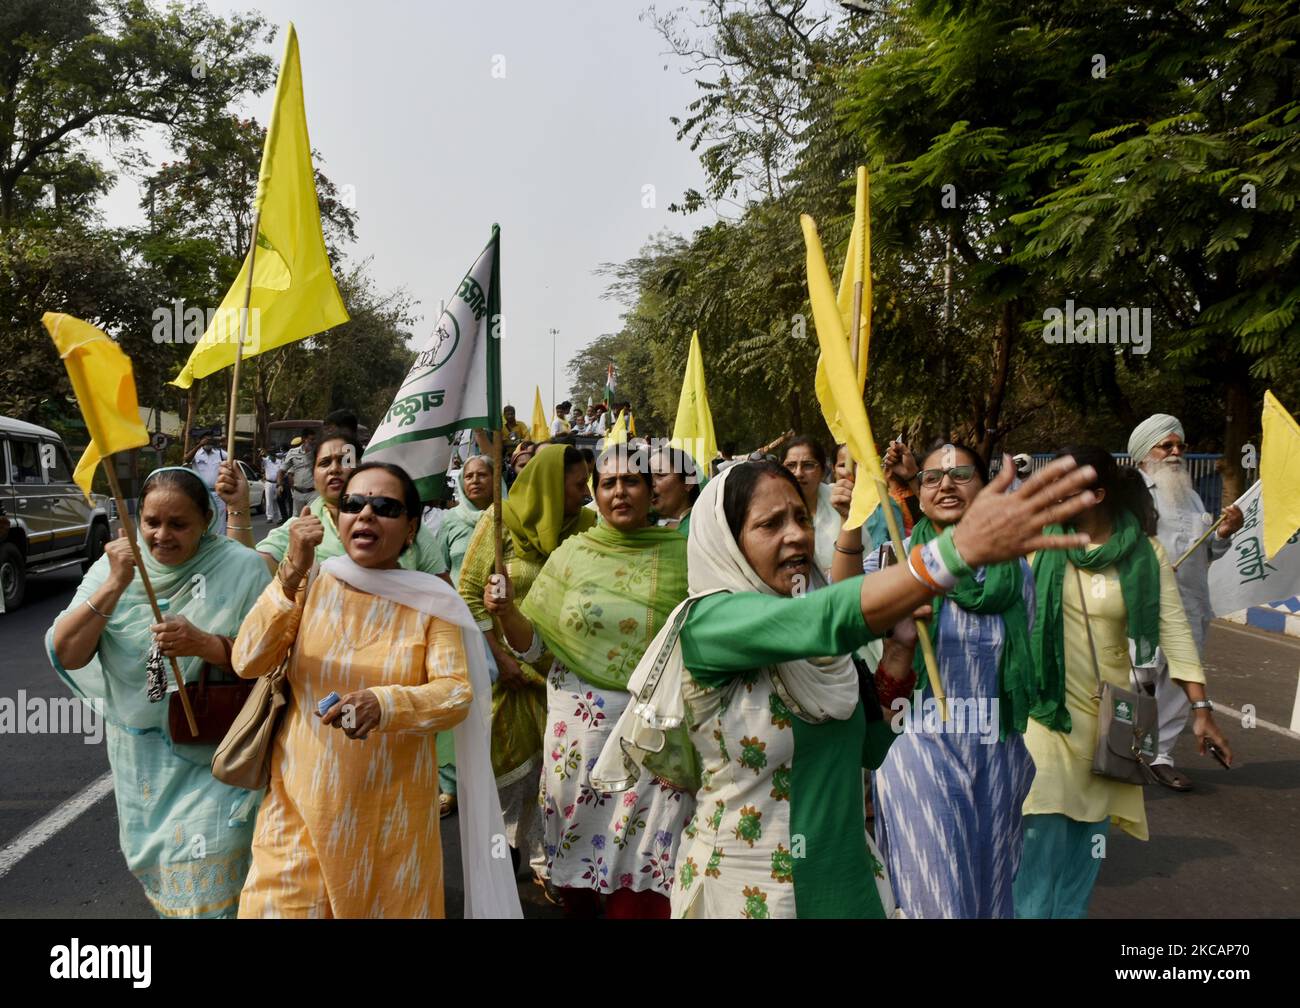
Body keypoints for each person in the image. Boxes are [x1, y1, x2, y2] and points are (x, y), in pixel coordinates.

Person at [591, 453, 1101, 918]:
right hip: (754, 894)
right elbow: (827, 618)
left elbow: (874, 748)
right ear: (726, 540)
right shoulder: (710, 622)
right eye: (770, 524)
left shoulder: (822, 639)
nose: (795, 535)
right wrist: (957, 550)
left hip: (850, 885)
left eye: (801, 518)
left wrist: (899, 654)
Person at [231, 461, 518, 918]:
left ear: (411, 528)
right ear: (339, 518)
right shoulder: (311, 584)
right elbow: (246, 660)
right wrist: (290, 573)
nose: (365, 515)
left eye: (384, 507)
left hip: (388, 823)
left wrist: (384, 703)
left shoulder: (431, 602)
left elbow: (455, 693)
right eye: (353, 504)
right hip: (297, 809)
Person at [1014, 446, 1235, 919]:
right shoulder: (1039, 545)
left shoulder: (1144, 554)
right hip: (1045, 710)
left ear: (1096, 495)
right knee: (1041, 832)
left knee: (1085, 843)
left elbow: (1174, 631)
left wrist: (1201, 711)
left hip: (1112, 722)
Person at [47, 467, 270, 917]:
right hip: (142, 761)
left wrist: (204, 645)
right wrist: (114, 585)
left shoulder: (242, 567)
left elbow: (274, 659)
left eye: (178, 524)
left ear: (207, 520)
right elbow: (68, 653)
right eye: (152, 522)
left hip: (219, 754)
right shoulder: (112, 570)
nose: (162, 535)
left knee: (217, 864)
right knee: (167, 869)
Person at [486, 444, 691, 918]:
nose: (619, 491)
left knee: (644, 865)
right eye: (607, 483)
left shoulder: (685, 554)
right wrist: (507, 611)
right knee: (579, 864)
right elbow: (536, 647)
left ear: (652, 491)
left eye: (631, 481)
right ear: (595, 494)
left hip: (653, 737)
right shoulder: (571, 556)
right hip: (578, 742)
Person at [840, 443, 1038, 919]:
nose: (946, 485)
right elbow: (843, 598)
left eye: (961, 475)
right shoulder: (899, 559)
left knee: (989, 890)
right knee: (936, 892)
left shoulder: (1015, 571)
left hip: (995, 748)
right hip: (918, 746)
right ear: (919, 493)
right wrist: (851, 523)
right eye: (932, 478)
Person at [458, 444, 596, 881]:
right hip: (509, 680)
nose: (586, 494)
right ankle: (498, 864)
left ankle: (544, 862)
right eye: (578, 485)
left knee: (553, 776)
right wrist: (501, 657)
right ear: (552, 487)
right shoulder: (498, 523)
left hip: (562, 676)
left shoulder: (588, 528)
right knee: (506, 773)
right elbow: (467, 594)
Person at [1129, 415, 1243, 791]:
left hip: (1191, 605)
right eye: (1167, 446)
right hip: (1143, 607)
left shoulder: (1191, 495)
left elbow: (1208, 549)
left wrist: (1224, 532)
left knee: (1179, 687)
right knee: (1135, 682)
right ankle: (1120, 752)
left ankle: (1160, 757)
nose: (1176, 453)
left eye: (1180, 446)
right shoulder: (1132, 495)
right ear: (1146, 454)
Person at [228, 428, 443, 577]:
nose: (335, 469)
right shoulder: (299, 531)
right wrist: (238, 508)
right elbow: (247, 570)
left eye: (345, 460)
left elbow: (442, 599)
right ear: (313, 473)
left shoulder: (403, 526)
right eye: (324, 463)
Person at [430, 454, 505, 817]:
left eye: (483, 474)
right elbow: (437, 572)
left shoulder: (511, 518)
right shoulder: (449, 523)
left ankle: (495, 777)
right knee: (459, 702)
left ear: (496, 479)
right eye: (469, 475)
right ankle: (449, 784)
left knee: (500, 705)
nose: (475, 480)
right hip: (461, 626)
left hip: (504, 625)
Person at [781, 435, 840, 581]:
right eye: (791, 466)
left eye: (808, 465)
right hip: (793, 596)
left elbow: (860, 561)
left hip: (838, 596)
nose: (798, 473)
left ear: (822, 472)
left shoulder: (840, 503)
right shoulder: (768, 510)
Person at [651, 445, 700, 534]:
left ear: (689, 482)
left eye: (660, 475)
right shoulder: (642, 524)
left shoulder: (700, 530)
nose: (651, 484)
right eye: (648, 477)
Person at [186, 435, 228, 527]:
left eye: (209, 441)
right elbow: (186, 459)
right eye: (205, 441)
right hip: (202, 492)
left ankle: (220, 538)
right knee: (203, 516)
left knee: (220, 519)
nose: (207, 443)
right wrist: (199, 445)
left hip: (218, 492)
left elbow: (232, 458)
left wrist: (225, 445)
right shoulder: (196, 454)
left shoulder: (219, 453)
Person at [282, 432, 318, 514]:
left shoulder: (316, 452)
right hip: (297, 492)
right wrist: (292, 489)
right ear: (304, 440)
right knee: (296, 517)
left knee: (313, 515)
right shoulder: (292, 455)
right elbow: (288, 474)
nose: (313, 442)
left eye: (314, 440)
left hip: (313, 492)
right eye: (311, 439)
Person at [261, 450, 282, 525]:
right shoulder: (266, 460)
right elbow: (259, 460)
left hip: (277, 483)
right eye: (269, 456)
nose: (270, 457)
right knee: (269, 501)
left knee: (279, 500)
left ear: (275, 456)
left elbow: (282, 472)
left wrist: (280, 484)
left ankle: (281, 517)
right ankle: (270, 517)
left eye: (272, 456)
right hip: (269, 483)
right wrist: (260, 454)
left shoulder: (279, 462)